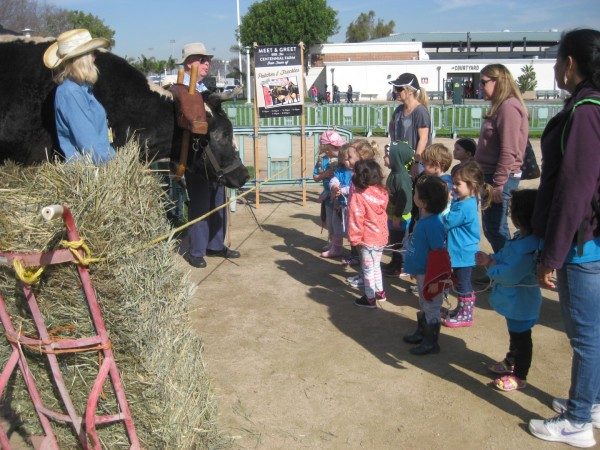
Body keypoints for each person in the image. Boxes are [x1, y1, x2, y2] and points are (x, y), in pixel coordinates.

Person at [528, 29, 600, 448]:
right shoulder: (588, 106)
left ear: (570, 64)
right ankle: (588, 403)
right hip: (586, 239)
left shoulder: (587, 111)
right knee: (589, 333)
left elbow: (574, 190)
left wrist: (551, 256)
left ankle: (577, 422)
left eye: (557, 61)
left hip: (581, 244)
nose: (555, 68)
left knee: (585, 335)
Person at [177, 42, 240, 268]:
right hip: (197, 156)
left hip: (216, 155)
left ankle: (215, 245)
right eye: (201, 60)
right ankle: (196, 250)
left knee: (218, 199)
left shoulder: (203, 89)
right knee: (201, 203)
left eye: (207, 60)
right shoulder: (181, 89)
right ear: (188, 62)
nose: (207, 63)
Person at [476, 189, 541, 391]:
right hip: (514, 300)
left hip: (521, 302)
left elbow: (509, 274)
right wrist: (493, 259)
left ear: (520, 216)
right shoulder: (522, 238)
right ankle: (511, 360)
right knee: (515, 333)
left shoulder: (528, 248)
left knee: (522, 338)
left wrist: (489, 264)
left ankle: (520, 375)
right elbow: (506, 258)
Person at [475, 63, 528, 253]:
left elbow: (509, 150)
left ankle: (508, 270)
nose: (480, 87)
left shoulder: (508, 107)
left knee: (496, 228)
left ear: (499, 81)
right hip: (491, 176)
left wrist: (498, 183)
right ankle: (500, 268)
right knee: (491, 227)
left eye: (483, 82)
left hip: (500, 178)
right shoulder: (500, 106)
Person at [43, 28, 115, 164]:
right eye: (91, 53)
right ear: (81, 59)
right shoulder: (71, 92)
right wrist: (113, 168)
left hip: (97, 170)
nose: (95, 57)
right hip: (89, 174)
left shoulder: (82, 89)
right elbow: (88, 144)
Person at [442, 162, 492, 328]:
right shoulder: (465, 201)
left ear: (472, 186)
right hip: (459, 251)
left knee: (463, 284)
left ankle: (466, 315)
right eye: (453, 183)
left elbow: (447, 221)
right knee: (460, 282)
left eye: (457, 184)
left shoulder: (464, 206)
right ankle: (461, 310)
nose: (454, 187)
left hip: (462, 253)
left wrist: (447, 203)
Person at [403, 176, 449, 355]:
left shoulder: (434, 224)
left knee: (431, 305)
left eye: (415, 193)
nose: (414, 195)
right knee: (423, 302)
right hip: (421, 271)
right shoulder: (424, 219)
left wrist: (435, 279)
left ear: (422, 201)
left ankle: (431, 341)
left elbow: (438, 252)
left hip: (430, 274)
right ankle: (422, 332)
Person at [348, 159, 389, 309]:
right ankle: (380, 292)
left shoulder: (358, 196)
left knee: (367, 268)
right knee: (376, 265)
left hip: (367, 238)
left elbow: (355, 218)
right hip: (381, 236)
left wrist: (354, 238)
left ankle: (370, 298)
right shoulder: (382, 191)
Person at [388, 73, 431, 177]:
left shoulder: (420, 111)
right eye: (395, 88)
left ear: (410, 91)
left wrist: (416, 163)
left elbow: (423, 139)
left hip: (415, 162)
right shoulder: (398, 110)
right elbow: (392, 128)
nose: (395, 91)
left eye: (399, 89)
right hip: (401, 160)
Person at [381, 141, 414, 278]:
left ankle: (399, 266)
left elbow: (403, 199)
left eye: (387, 155)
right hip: (393, 215)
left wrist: (397, 217)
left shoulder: (401, 177)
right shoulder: (395, 173)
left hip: (400, 218)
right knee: (395, 242)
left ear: (396, 158)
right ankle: (394, 263)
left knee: (399, 243)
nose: (384, 158)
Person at [314, 130, 346, 255]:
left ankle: (337, 246)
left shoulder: (344, 159)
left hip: (340, 196)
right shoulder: (322, 161)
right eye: (335, 147)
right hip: (328, 196)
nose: (338, 149)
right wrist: (325, 174)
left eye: (339, 147)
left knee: (338, 222)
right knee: (330, 222)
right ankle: (332, 242)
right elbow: (315, 177)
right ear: (326, 147)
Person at [325, 146, 353, 258]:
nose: (347, 161)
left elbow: (354, 187)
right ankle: (336, 248)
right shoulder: (340, 171)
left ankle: (355, 252)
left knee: (351, 229)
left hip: (351, 206)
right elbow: (334, 180)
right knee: (336, 226)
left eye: (349, 158)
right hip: (339, 205)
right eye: (344, 158)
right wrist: (334, 186)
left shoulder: (358, 172)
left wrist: (342, 190)